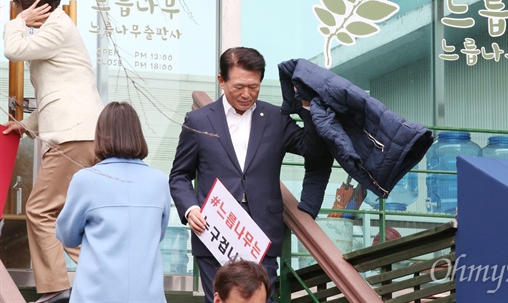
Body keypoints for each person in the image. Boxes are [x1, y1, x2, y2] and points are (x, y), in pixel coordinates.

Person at [169, 47, 326, 303]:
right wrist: (190, 209)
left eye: (254, 87)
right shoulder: (198, 121)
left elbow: (312, 149)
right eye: (239, 86)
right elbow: (179, 175)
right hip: (214, 231)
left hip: (262, 233)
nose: (246, 94)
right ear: (221, 80)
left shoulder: (276, 118)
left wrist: (307, 107)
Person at [1, 0, 103, 303]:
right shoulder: (57, 29)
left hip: (74, 136)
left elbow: (13, 50)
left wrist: (18, 23)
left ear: (31, 3)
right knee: (64, 215)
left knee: (40, 209)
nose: (15, 10)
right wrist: (28, 125)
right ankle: (104, 271)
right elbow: (63, 90)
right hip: (81, 133)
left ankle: (56, 289)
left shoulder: (57, 26)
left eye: (17, 3)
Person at [56, 102, 170, 302]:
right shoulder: (159, 181)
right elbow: (157, 234)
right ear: (137, 135)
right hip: (147, 294)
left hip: (96, 294)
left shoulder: (86, 179)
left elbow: (67, 236)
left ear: (100, 135)